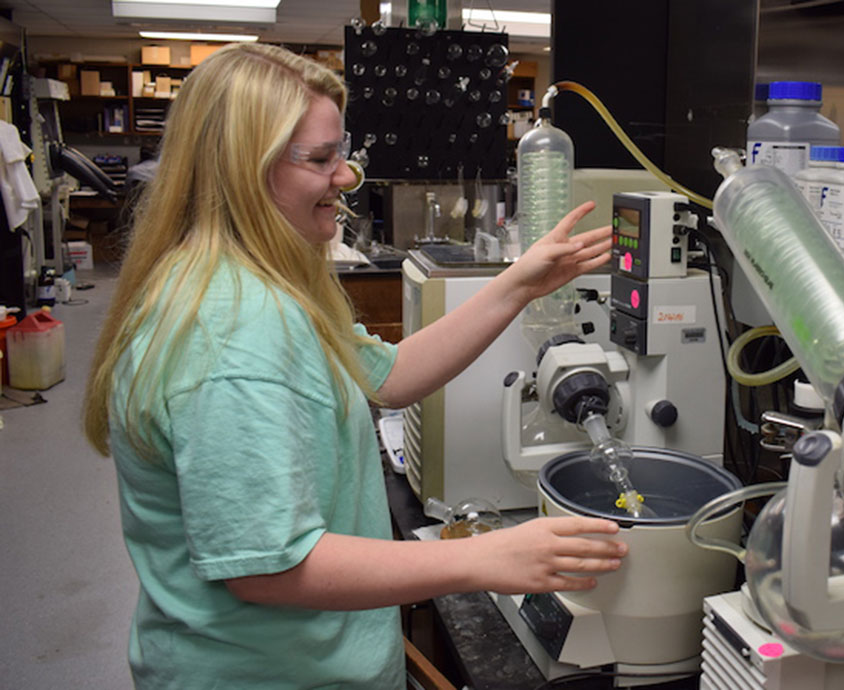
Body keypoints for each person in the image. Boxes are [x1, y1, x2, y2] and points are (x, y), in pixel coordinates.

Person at [82, 42, 625, 688]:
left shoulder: (266, 287)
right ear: (241, 173)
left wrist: (518, 284)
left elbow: (386, 374)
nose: (347, 177)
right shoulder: (230, 334)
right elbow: (269, 569)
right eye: (320, 159)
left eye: (342, 152)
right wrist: (487, 557)